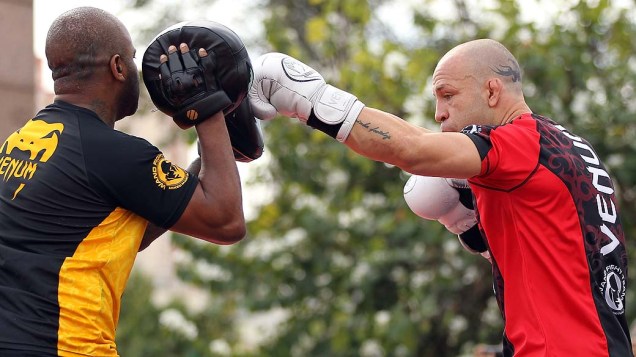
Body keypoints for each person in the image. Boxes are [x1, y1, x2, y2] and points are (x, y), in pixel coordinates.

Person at [247, 40, 632, 356]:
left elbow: (411, 150)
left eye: (447, 95)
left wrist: (310, 97)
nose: (439, 113)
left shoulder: (521, 145)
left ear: (492, 91)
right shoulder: (568, 148)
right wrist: (468, 226)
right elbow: (556, 261)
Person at [0, 7, 250, 356]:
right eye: (132, 59)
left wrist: (214, 156)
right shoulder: (112, 153)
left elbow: (125, 233)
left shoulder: (22, 143)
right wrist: (204, 106)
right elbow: (226, 221)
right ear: (118, 68)